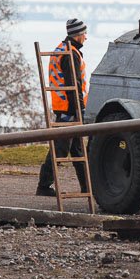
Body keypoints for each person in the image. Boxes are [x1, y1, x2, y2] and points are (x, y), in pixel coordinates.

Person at [37, 19, 90, 197]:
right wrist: (79, 110)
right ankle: (44, 185)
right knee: (60, 148)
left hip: (63, 106)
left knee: (76, 149)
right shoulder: (70, 53)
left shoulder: (62, 49)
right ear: (78, 34)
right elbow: (73, 85)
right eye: (84, 33)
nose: (86, 37)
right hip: (69, 109)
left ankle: (87, 187)